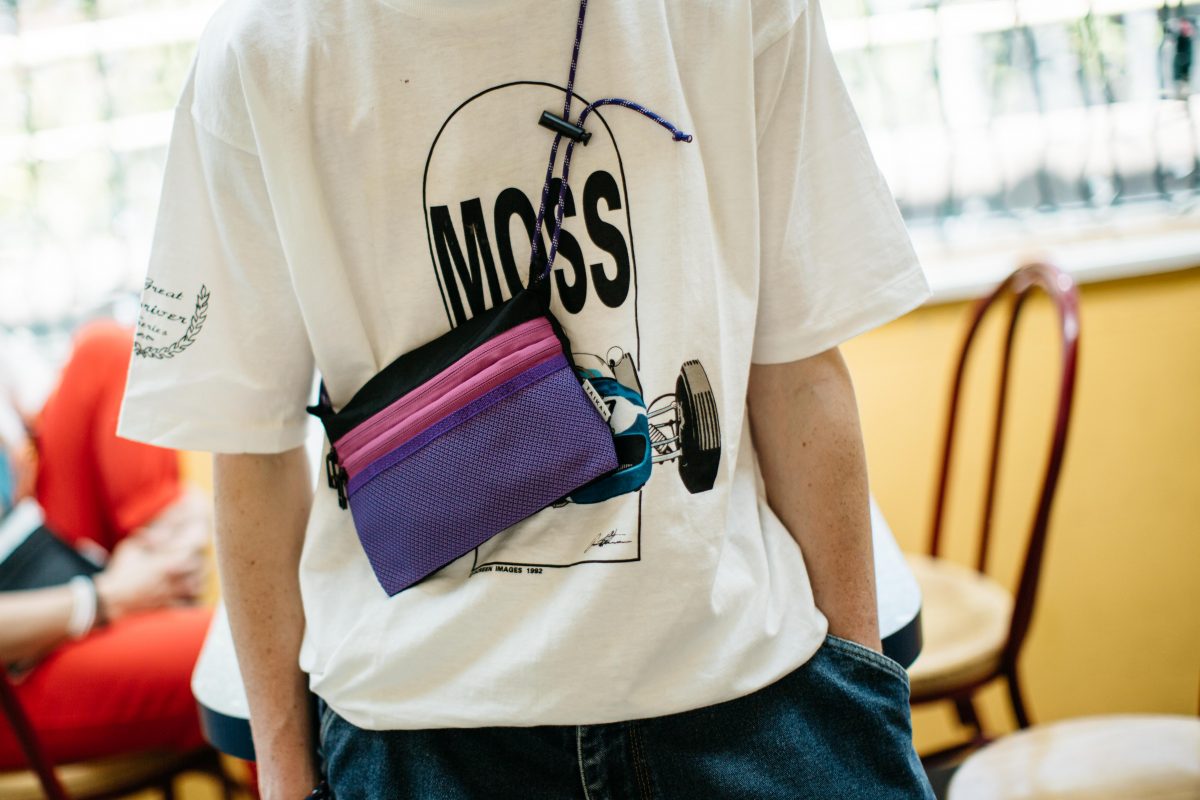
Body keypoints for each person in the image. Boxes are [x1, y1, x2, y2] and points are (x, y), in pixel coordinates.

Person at [117, 0, 936, 797]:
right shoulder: (260, 50)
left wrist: (862, 693)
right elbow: (251, 454)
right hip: (418, 734)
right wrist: (287, 782)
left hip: (749, 693)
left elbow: (799, 371)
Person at [0, 322, 211, 770]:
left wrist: (176, 515)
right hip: (14, 658)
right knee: (247, 653)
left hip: (39, 554)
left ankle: (161, 561)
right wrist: (105, 599)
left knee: (106, 351)